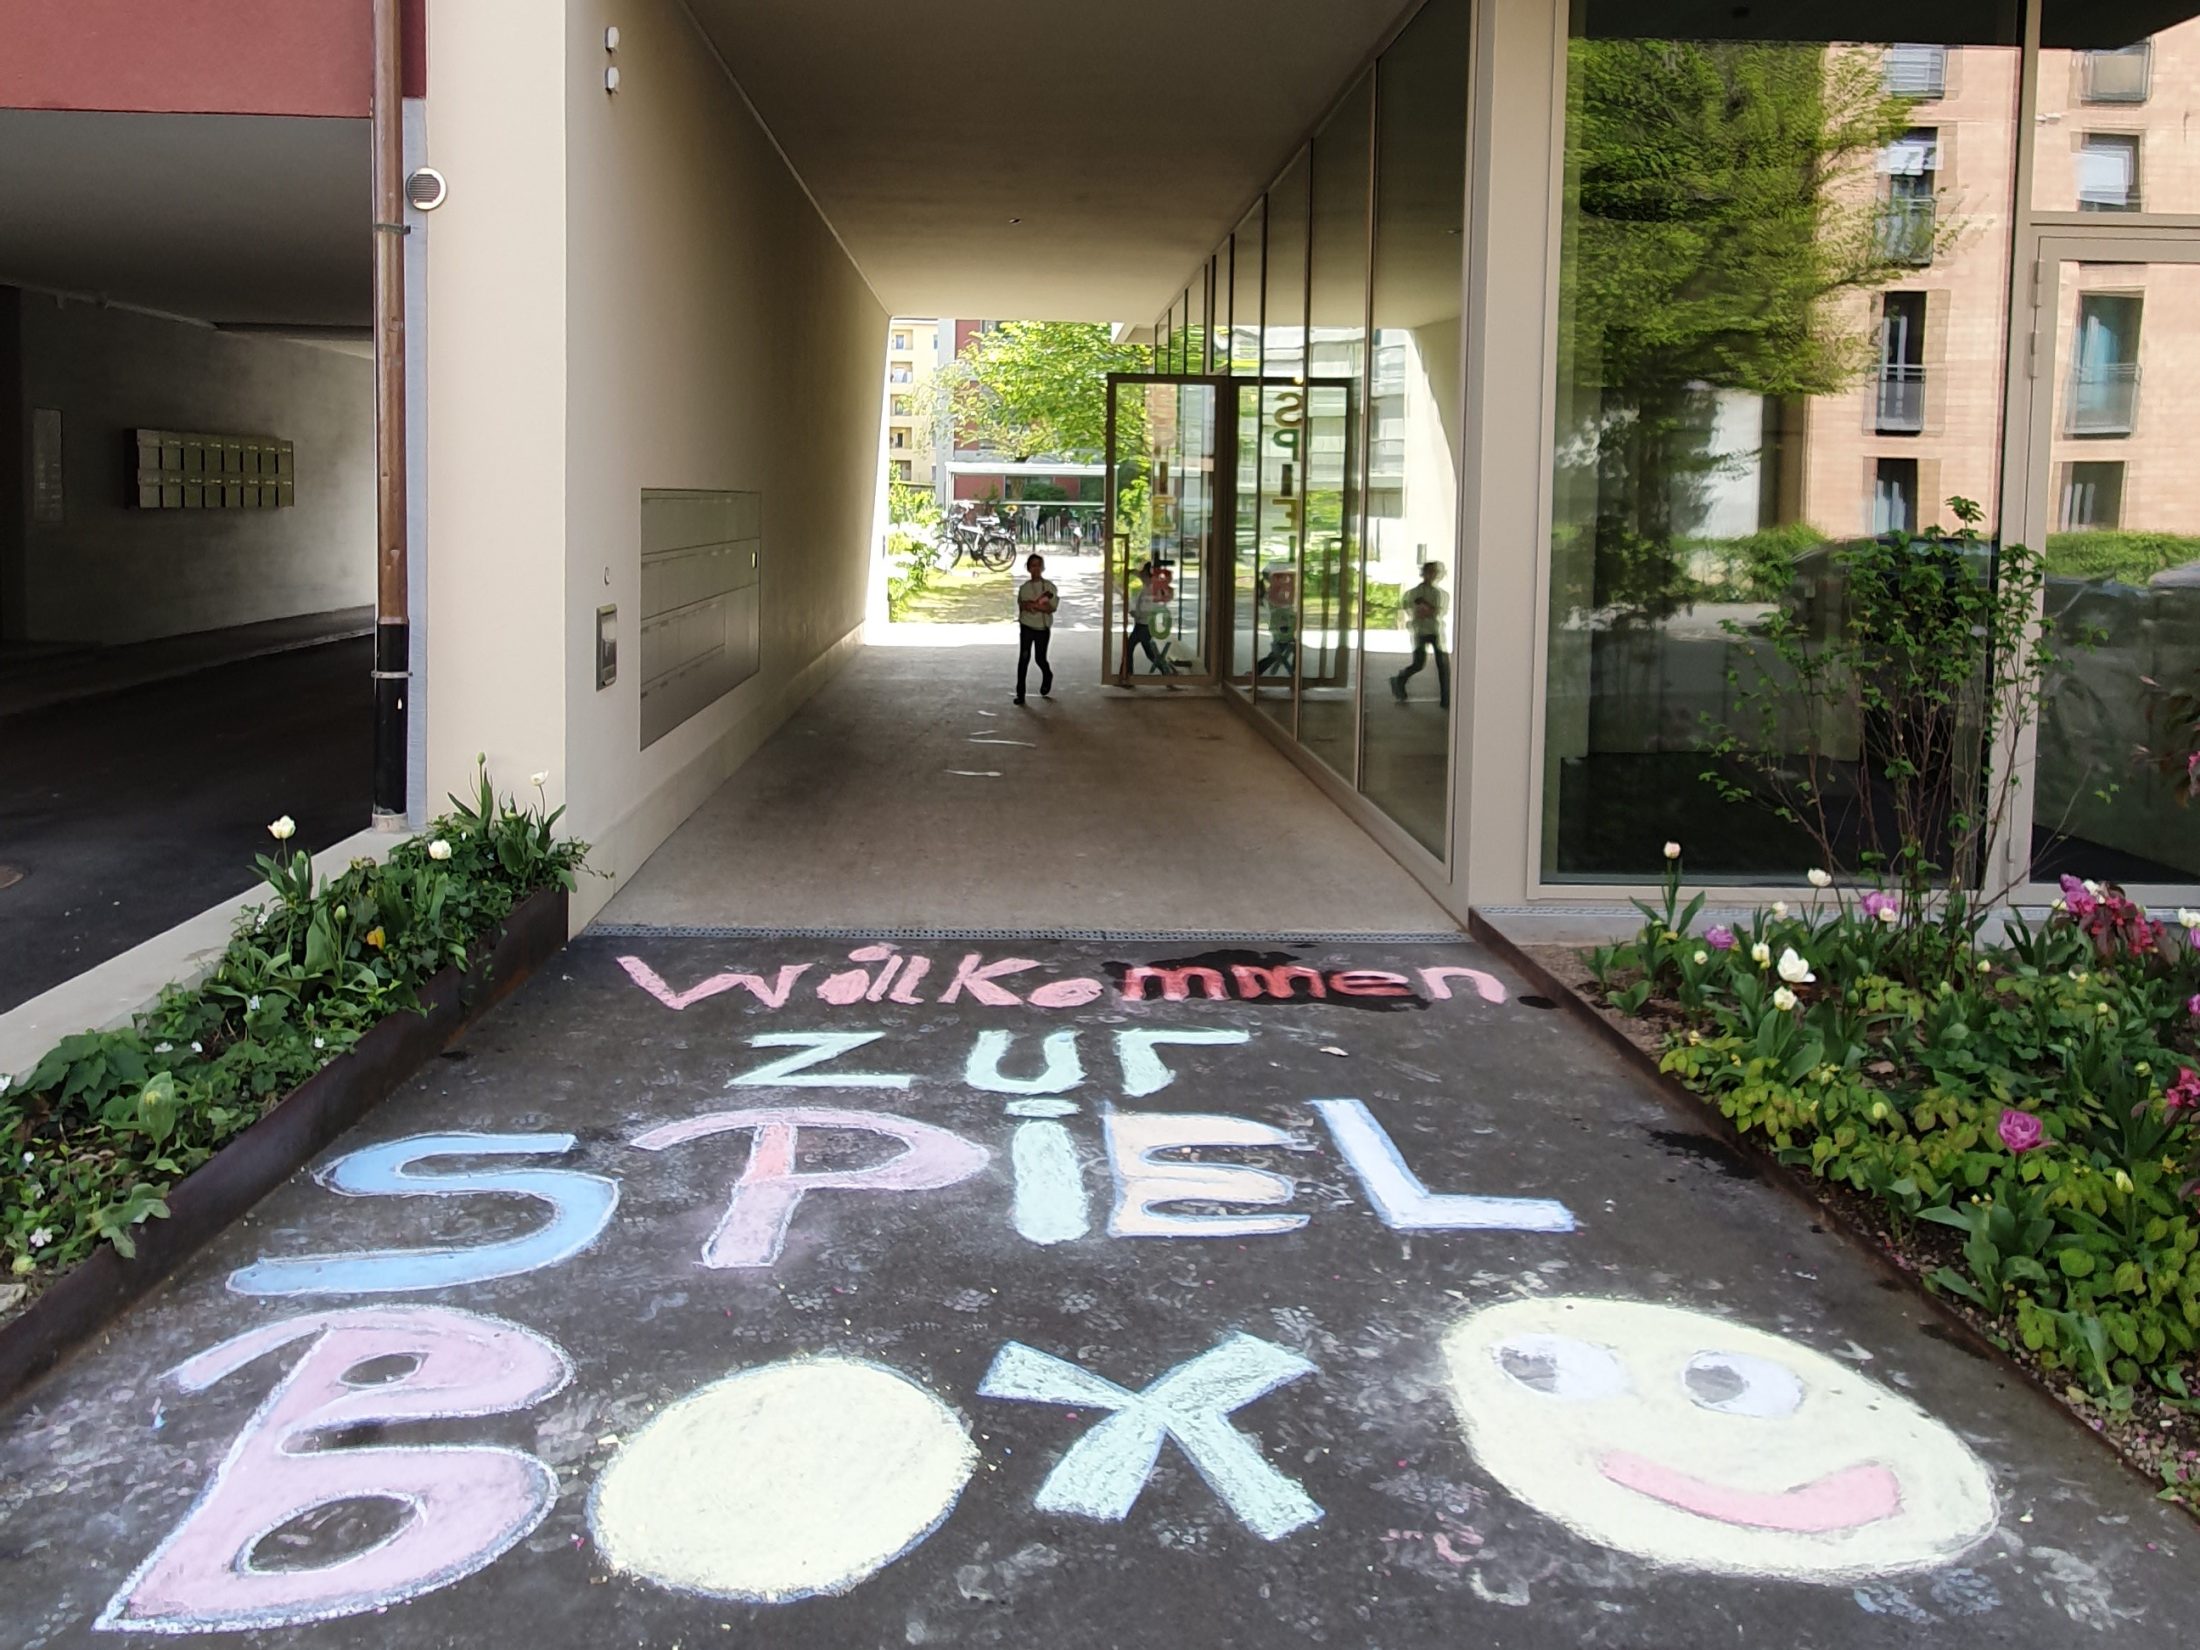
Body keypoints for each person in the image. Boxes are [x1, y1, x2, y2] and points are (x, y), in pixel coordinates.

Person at [1390, 559, 1450, 708]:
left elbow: (1437, 611)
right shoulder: (1414, 592)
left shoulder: (1440, 594)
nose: (1433, 575)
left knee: (1442, 665)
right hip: (1420, 630)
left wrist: (1426, 608)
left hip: (1435, 630)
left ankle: (1446, 698)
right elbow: (1413, 608)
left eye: (1435, 573)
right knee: (1418, 663)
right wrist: (1425, 610)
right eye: (1431, 572)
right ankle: (1400, 679)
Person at [1014, 553, 1057, 704]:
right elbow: (1022, 606)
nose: (1036, 569)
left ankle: (1047, 675)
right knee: (1024, 659)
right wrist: (1032, 606)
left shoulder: (1049, 587)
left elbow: (1051, 608)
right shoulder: (1024, 588)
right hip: (1026, 626)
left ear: (1042, 567)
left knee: (1040, 658)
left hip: (1042, 628)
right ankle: (1020, 693)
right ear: (1028, 568)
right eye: (1032, 566)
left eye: (1038, 565)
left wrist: (1036, 606)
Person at [1120, 560, 1175, 678]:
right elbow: (1137, 574)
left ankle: (1127, 675)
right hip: (1143, 625)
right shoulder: (1148, 583)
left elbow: (1146, 611)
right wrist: (1129, 571)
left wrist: (1133, 613)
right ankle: (1167, 672)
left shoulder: (1151, 589)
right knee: (1149, 653)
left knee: (1130, 649)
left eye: (1143, 572)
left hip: (1143, 625)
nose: (1141, 574)